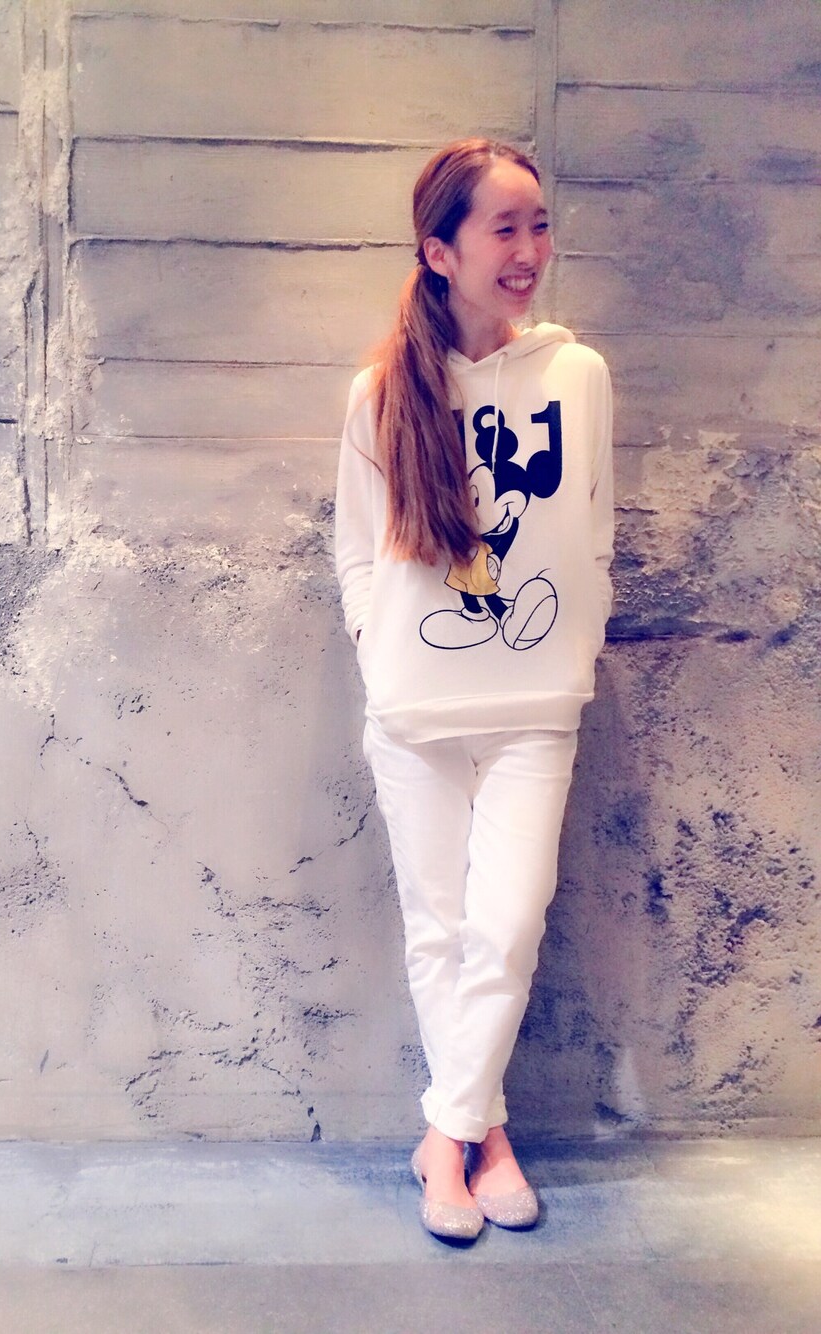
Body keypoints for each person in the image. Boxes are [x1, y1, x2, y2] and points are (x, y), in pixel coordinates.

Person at [335, 139, 614, 1241]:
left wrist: (579, 639)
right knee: (440, 932)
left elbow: (592, 528)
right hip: (416, 710)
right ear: (440, 250)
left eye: (538, 223)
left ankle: (440, 1137)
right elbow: (356, 554)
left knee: (506, 926)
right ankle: (482, 1141)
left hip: (534, 706)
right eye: (504, 227)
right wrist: (380, 651)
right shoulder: (380, 393)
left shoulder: (576, 377)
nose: (529, 249)